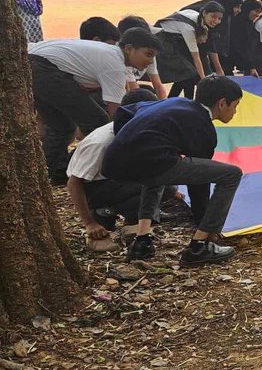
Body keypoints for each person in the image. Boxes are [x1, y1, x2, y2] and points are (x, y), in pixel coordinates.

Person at [103, 75, 246, 267]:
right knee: (231, 174)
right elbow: (198, 185)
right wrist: (205, 224)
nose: (235, 112)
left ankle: (142, 241)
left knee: (155, 172)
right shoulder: (203, 128)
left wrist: (128, 143)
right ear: (222, 103)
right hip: (149, 162)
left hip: (113, 162)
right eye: (235, 105)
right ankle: (199, 246)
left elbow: (124, 111)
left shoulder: (175, 102)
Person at [28, 31, 161, 185]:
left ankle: (47, 177)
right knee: (98, 122)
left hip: (34, 65)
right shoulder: (114, 65)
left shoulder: (111, 54)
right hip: (43, 68)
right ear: (129, 48)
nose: (150, 61)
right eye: (148, 54)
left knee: (62, 127)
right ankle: (91, 174)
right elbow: (116, 115)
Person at [67, 88, 160, 251]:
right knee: (156, 183)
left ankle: (130, 218)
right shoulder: (101, 142)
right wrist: (89, 223)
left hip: (115, 180)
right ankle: (104, 211)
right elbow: (74, 183)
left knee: (166, 186)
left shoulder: (136, 129)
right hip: (95, 187)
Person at [153, 1, 229, 99]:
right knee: (188, 74)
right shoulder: (189, 28)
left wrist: (219, 70)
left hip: (178, 40)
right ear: (205, 13)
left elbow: (211, 49)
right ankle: (182, 101)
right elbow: (196, 58)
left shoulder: (202, 22)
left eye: (219, 18)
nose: (216, 21)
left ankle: (174, 100)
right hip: (165, 42)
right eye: (213, 16)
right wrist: (203, 81)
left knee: (186, 76)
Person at [117, 15, 168, 98]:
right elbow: (135, 94)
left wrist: (165, 106)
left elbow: (158, 86)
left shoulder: (146, 52)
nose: (151, 60)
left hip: (129, 86)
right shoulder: (120, 58)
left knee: (148, 91)